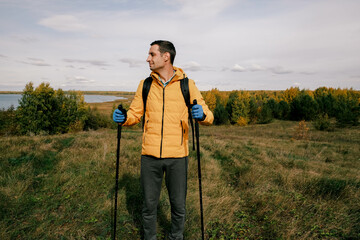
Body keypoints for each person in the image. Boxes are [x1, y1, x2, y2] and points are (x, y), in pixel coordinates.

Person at [113, 40, 213, 240]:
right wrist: (124, 119)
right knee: (149, 206)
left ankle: (176, 237)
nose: (147, 58)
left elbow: (208, 116)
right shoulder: (146, 85)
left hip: (178, 156)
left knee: (178, 205)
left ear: (166, 56)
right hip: (150, 156)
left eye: (152, 54)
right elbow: (135, 114)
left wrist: (201, 114)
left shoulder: (187, 84)